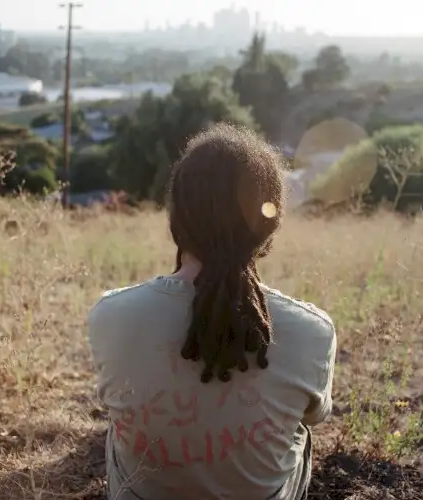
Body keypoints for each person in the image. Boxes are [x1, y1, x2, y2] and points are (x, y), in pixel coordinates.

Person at [88, 123, 337, 500]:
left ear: (177, 217)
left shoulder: (111, 315)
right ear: (269, 224)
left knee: (116, 428)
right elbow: (315, 415)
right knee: (299, 431)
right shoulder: (312, 330)